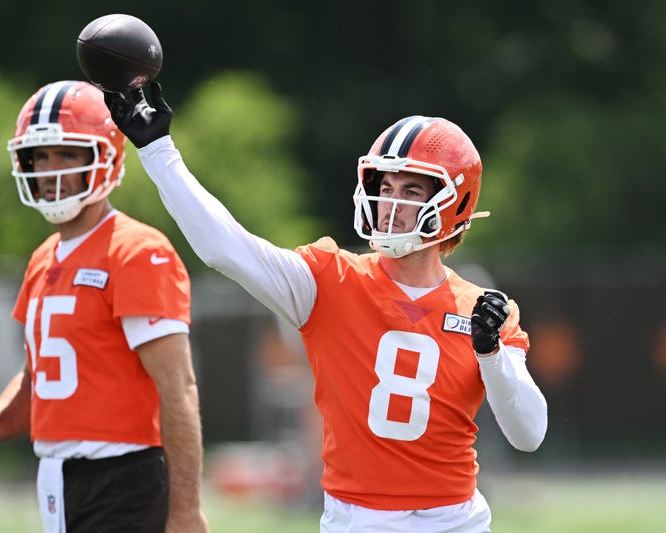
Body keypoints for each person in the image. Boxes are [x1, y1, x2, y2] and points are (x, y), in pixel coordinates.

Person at [105, 84, 548, 532]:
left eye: (410, 190)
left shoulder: (484, 311)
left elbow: (528, 434)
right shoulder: (331, 279)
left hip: (455, 521)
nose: (389, 203)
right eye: (384, 185)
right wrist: (158, 150)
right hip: (357, 520)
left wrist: (490, 354)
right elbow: (226, 248)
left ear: (456, 204)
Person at [0, 80, 209, 533]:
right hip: (57, 478)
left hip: (124, 475)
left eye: (68, 154)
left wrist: (186, 510)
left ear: (105, 157)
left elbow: (178, 388)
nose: (51, 170)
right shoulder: (42, 257)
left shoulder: (136, 250)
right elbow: (43, 380)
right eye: (41, 156)